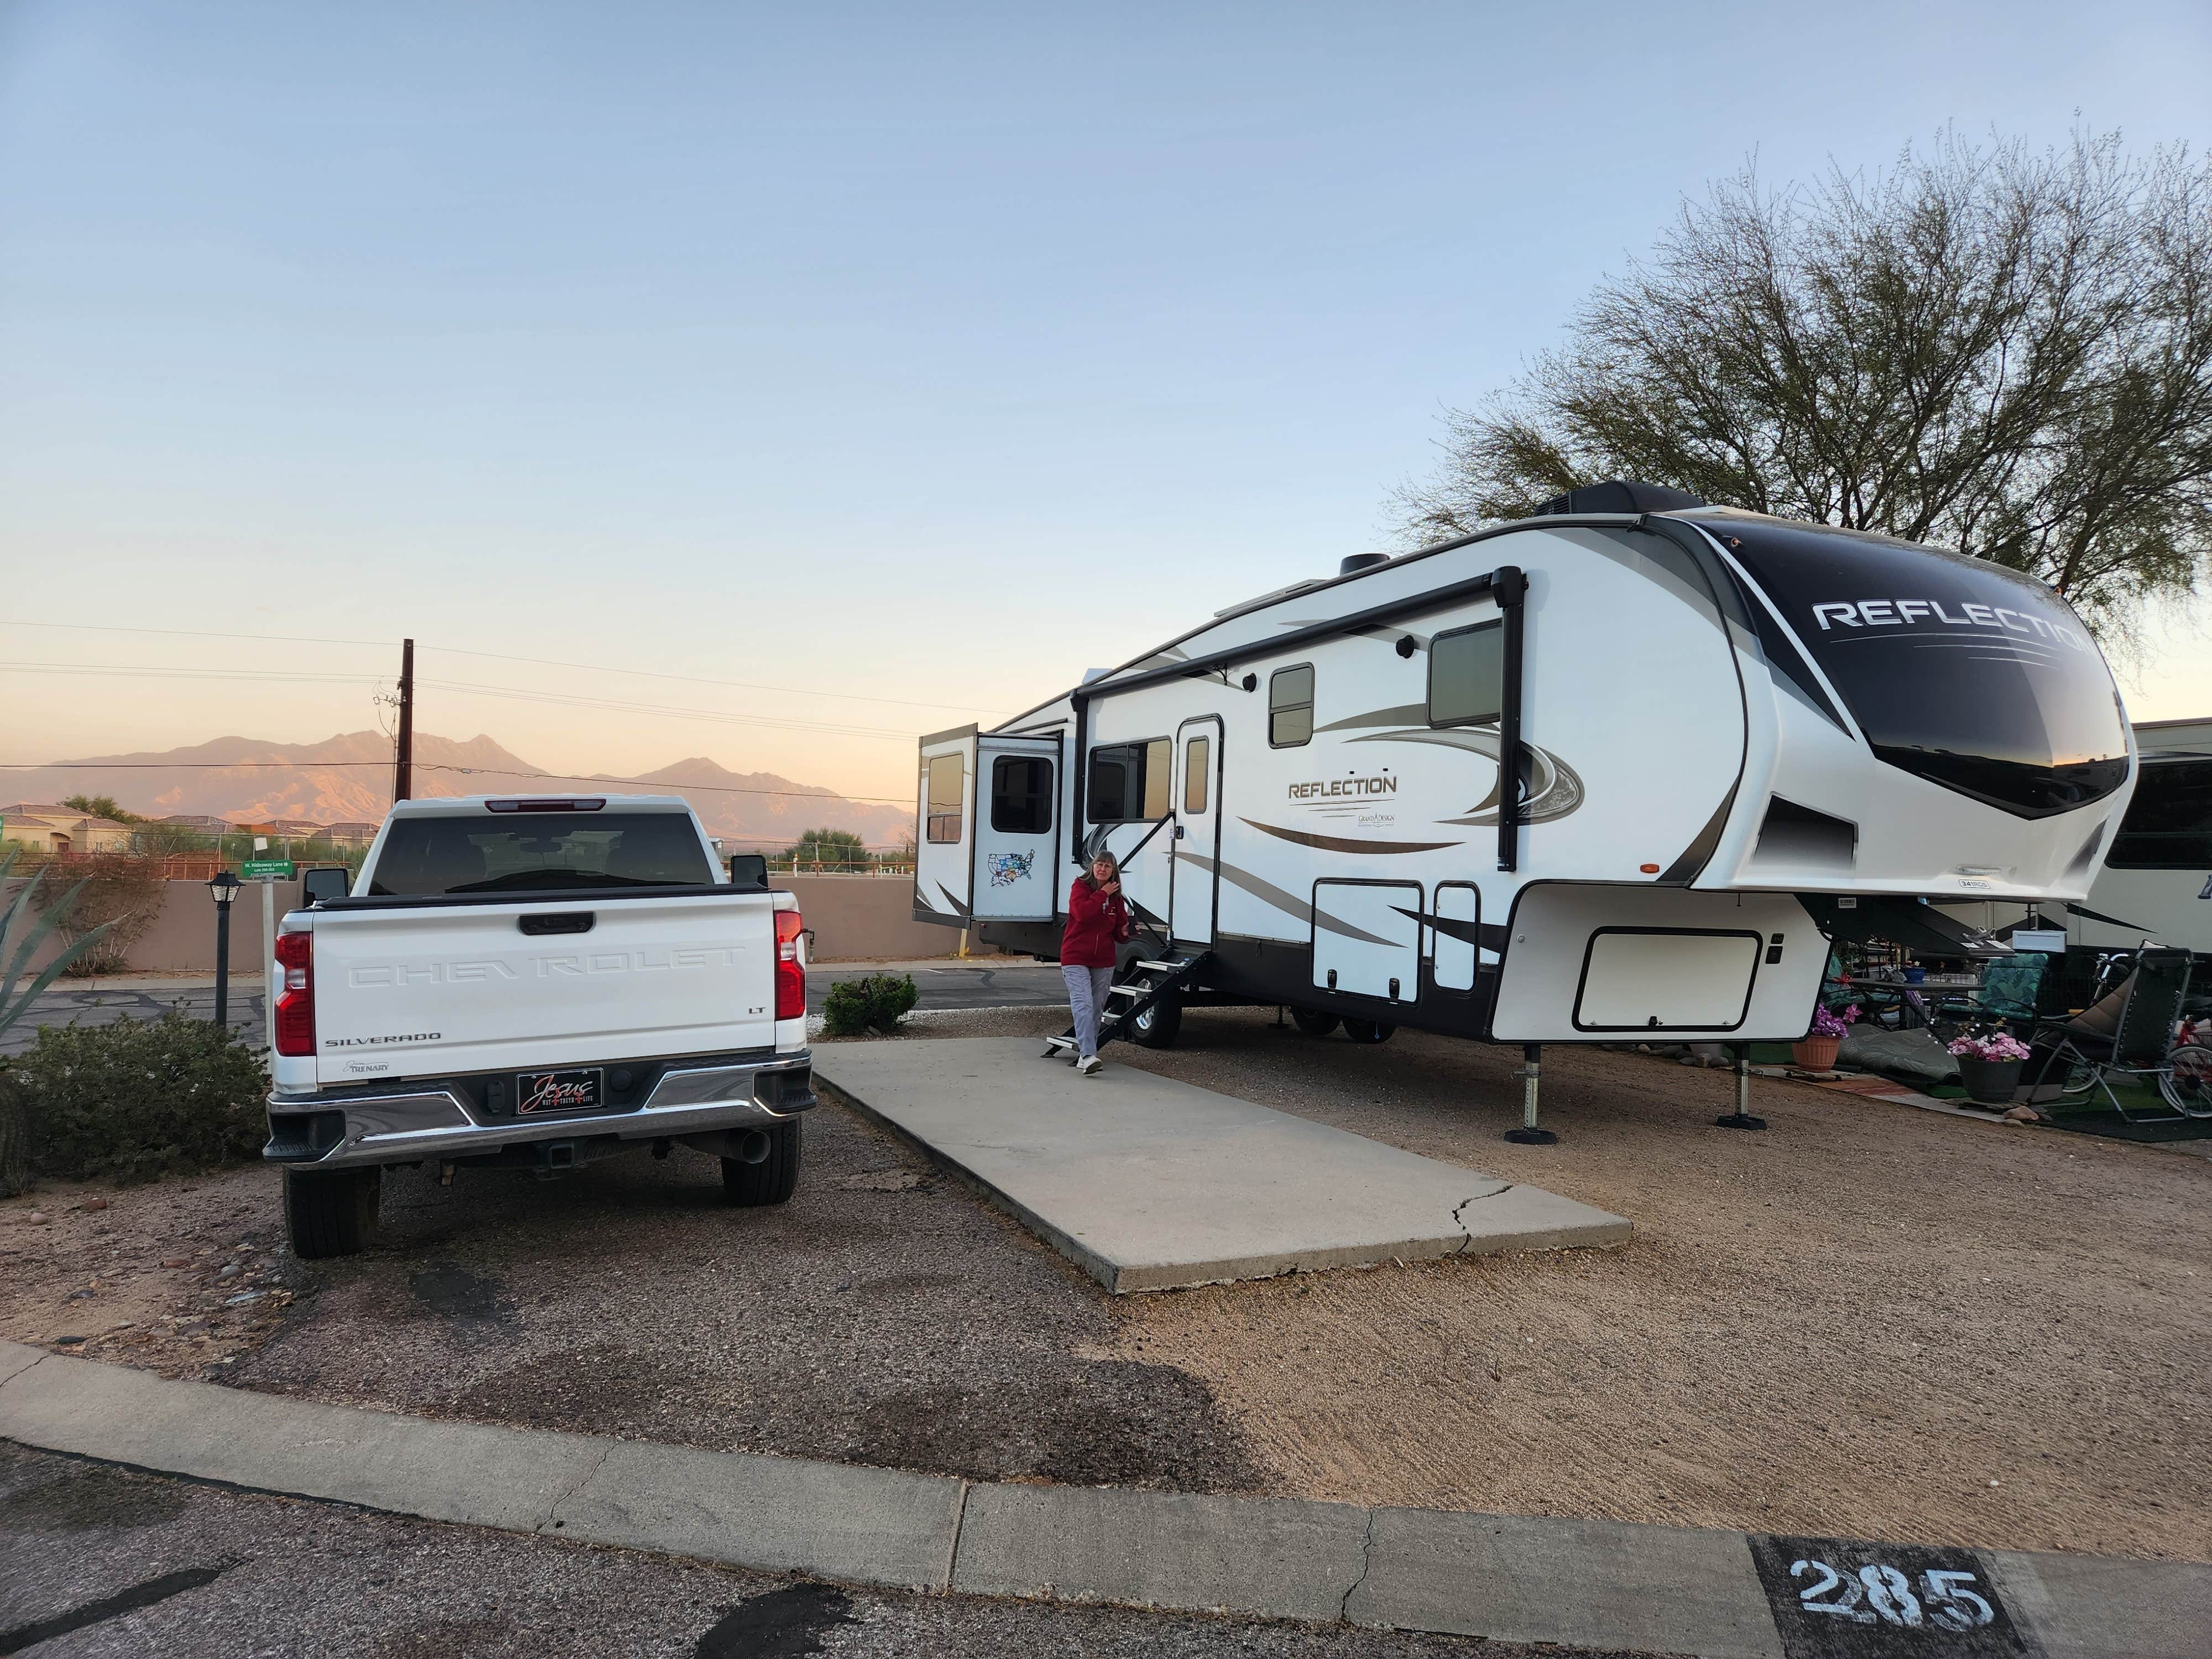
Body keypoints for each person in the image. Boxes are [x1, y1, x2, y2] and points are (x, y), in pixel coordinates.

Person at [1061, 851, 1134, 1076]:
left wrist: (1128, 932)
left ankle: (1086, 1055)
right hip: (1075, 956)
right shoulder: (1080, 888)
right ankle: (1088, 1055)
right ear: (1092, 867)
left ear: (1114, 872)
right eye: (1099, 865)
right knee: (1083, 1003)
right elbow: (1082, 914)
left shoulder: (1117, 899)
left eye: (1108, 866)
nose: (1102, 869)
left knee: (1096, 1007)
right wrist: (1102, 894)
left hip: (1103, 960)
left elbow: (1119, 933)